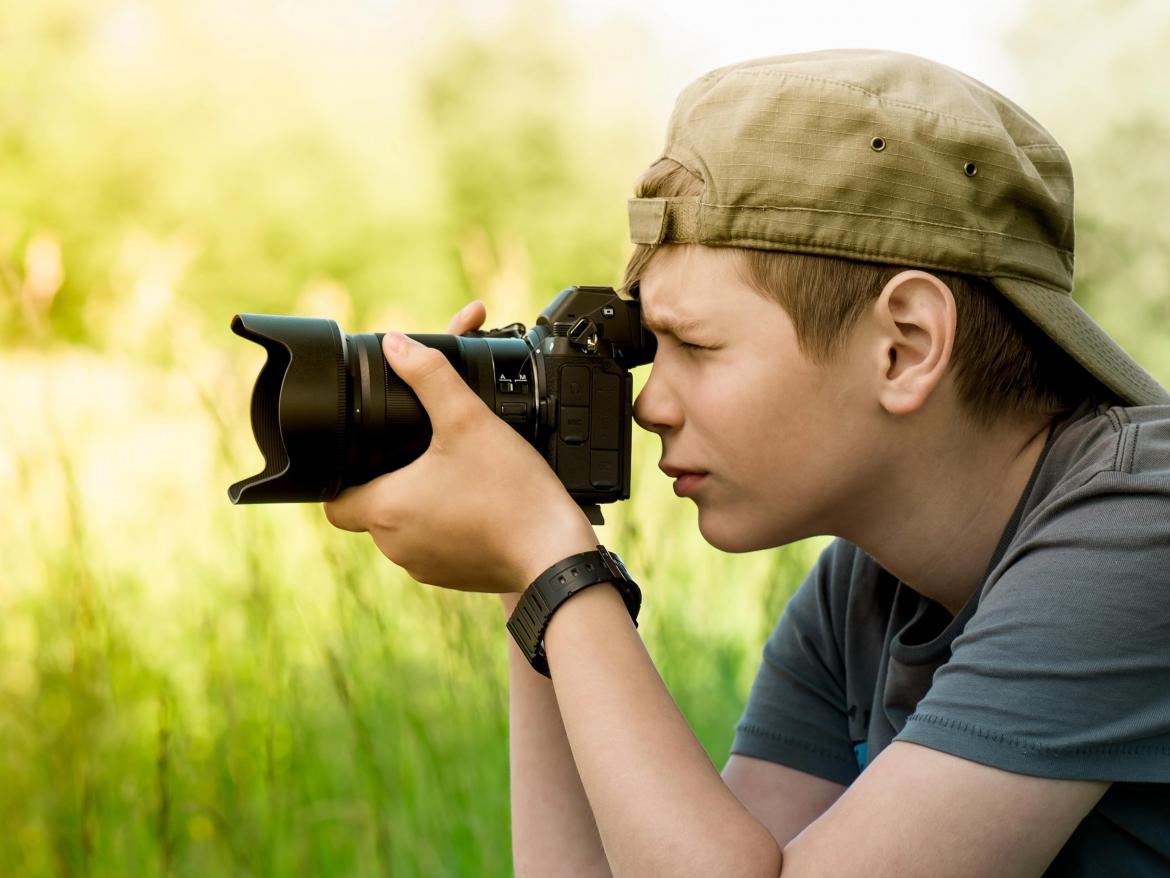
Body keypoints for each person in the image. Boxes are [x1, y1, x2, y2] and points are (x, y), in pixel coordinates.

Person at [323, 49, 1170, 877]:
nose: (651, 402)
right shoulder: (861, 598)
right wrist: (523, 550)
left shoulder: (1142, 535)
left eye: (696, 344)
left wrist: (557, 566)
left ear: (905, 347)